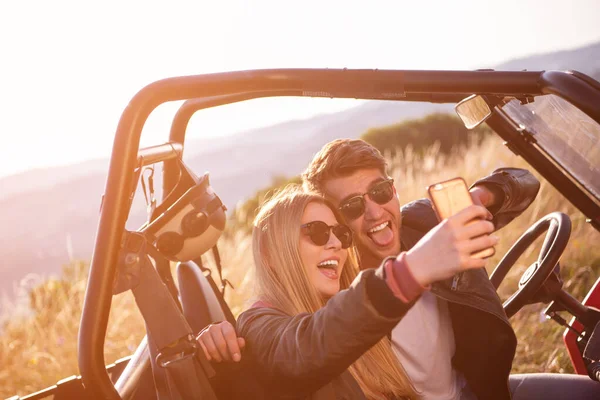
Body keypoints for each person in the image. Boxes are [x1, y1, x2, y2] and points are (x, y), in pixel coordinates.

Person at [200, 139, 600, 399]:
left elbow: (523, 182)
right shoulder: (333, 288)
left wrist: (482, 196)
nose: (375, 212)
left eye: (380, 192)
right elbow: (303, 342)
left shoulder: (423, 223)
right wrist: (417, 267)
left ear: (392, 188)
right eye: (352, 208)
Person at [200, 184, 499, 399]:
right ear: (271, 253)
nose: (335, 244)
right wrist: (414, 268)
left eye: (341, 234)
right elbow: (306, 347)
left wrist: (489, 191)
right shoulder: (257, 327)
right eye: (316, 232)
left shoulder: (339, 313)